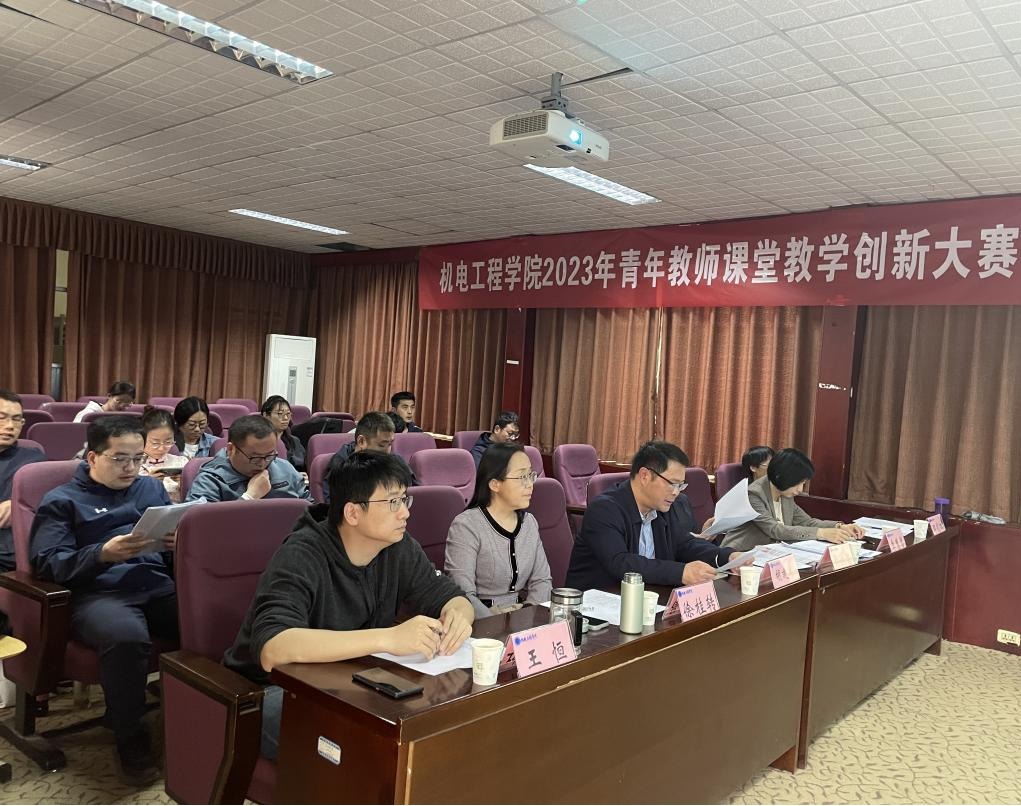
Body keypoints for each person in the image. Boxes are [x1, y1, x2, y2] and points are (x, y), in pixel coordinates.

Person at [223, 451, 474, 760]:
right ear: (353, 513)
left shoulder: (397, 546)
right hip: (269, 690)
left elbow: (449, 596)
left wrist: (458, 616)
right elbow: (274, 649)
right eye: (392, 502)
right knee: (371, 751)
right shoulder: (302, 554)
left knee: (433, 727)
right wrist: (388, 638)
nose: (405, 513)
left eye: (404, 500)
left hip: (351, 679)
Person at [29, 416, 177, 784]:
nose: (131, 468)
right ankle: (130, 735)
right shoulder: (62, 500)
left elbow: (173, 546)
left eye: (138, 458)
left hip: (155, 584)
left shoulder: (150, 489)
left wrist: (181, 542)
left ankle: (209, 717)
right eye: (120, 459)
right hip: (98, 593)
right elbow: (47, 563)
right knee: (126, 637)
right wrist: (101, 555)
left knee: (215, 620)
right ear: (93, 457)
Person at [566, 441, 750, 590]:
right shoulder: (605, 509)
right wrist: (681, 572)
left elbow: (685, 544)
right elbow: (621, 563)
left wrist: (727, 556)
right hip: (596, 604)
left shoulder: (664, 508)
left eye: (680, 485)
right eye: (672, 484)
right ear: (645, 476)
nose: (676, 492)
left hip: (648, 598)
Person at [445, 443, 551, 618]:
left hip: (523, 616)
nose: (530, 484)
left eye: (530, 475)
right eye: (522, 477)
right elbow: (463, 593)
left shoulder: (529, 523)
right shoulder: (466, 526)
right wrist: (494, 621)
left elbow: (542, 580)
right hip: (479, 620)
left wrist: (528, 613)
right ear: (495, 484)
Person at [721, 448, 864, 551]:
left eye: (803, 483)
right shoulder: (754, 494)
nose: (800, 489)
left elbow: (807, 522)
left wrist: (839, 526)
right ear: (780, 476)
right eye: (797, 483)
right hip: (740, 555)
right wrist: (821, 533)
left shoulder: (785, 493)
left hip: (769, 553)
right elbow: (775, 530)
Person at [186, 415, 312, 503]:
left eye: (269, 455)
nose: (262, 464)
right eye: (255, 457)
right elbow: (202, 526)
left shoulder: (285, 469)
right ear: (231, 449)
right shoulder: (210, 480)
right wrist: (249, 497)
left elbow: (311, 509)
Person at [323, 412, 419, 503]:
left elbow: (416, 495)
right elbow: (336, 508)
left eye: (390, 444)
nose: (387, 452)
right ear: (361, 441)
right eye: (381, 445)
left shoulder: (396, 461)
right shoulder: (341, 466)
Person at [0, 391, 47, 571]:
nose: (10, 426)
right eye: (2, 418)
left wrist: (18, 505)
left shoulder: (34, 459)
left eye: (16, 419)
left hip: (22, 550)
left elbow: (52, 499)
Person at [137, 407, 188, 502]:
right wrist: (146, 483)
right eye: (155, 443)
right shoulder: (133, 466)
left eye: (168, 442)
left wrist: (184, 485)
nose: (161, 448)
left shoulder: (182, 463)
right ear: (142, 438)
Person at [260, 395, 306, 473]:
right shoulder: (258, 440)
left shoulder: (294, 441)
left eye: (288, 414)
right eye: (280, 413)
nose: (285, 418)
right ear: (266, 415)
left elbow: (302, 466)